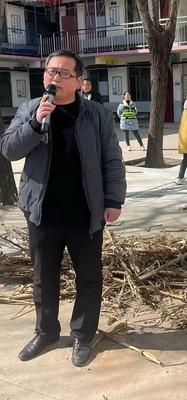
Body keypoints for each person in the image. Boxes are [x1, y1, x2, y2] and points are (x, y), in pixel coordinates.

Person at [0, 50, 126, 367]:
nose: (54, 77)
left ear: (79, 80)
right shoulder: (31, 109)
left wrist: (113, 200)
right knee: (44, 276)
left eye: (63, 72)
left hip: (86, 212)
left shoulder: (97, 114)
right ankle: (46, 332)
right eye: (50, 70)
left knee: (88, 277)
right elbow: (9, 149)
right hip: (42, 213)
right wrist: (36, 122)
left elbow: (112, 159)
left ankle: (83, 336)